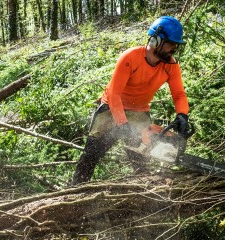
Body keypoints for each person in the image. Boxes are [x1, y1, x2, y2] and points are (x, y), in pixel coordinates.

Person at [71, 16, 191, 185]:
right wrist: (123, 124)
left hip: (139, 111)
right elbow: (114, 95)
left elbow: (179, 94)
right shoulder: (130, 58)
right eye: (171, 44)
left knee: (141, 157)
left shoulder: (171, 65)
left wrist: (182, 115)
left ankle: (141, 195)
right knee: (91, 155)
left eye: (176, 45)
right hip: (111, 107)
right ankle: (74, 190)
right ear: (156, 40)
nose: (174, 49)